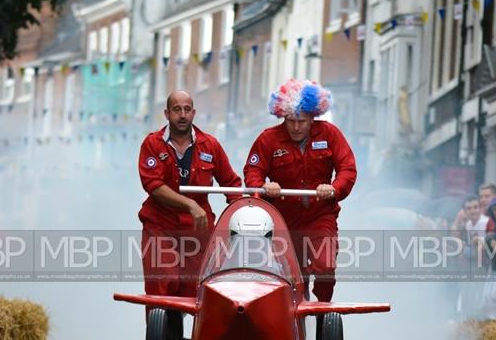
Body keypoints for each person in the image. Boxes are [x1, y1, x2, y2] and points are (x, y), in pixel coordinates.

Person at [243, 78, 356, 303]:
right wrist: (263, 187)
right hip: (282, 219)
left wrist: (334, 188)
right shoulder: (268, 139)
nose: (295, 127)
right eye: (290, 120)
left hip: (319, 216)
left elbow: (348, 169)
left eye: (301, 121)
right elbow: (252, 171)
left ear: (313, 118)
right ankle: (295, 312)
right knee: (289, 276)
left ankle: (323, 310)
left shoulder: (330, 135)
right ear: (282, 116)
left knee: (325, 266)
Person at [136, 90, 242, 302]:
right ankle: (166, 336)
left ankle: (196, 336)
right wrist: (190, 204)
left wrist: (241, 217)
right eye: (177, 110)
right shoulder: (153, 144)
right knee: (163, 284)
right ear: (167, 114)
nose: (182, 115)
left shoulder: (210, 145)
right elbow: (153, 185)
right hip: (160, 226)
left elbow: (231, 183)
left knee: (198, 291)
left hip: (199, 230)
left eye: (186, 110)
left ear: (193, 113)